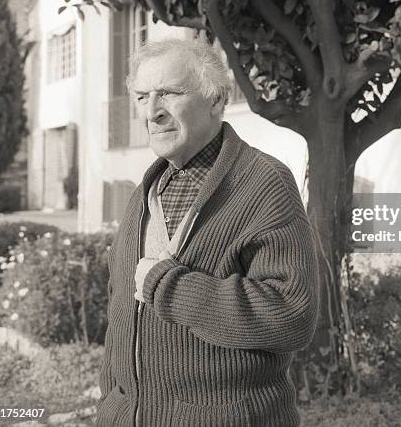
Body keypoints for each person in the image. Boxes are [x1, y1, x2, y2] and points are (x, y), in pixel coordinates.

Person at [97, 38, 319, 427]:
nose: (152, 112)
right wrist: (110, 409)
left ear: (216, 100)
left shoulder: (264, 183)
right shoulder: (142, 196)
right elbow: (119, 321)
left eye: (169, 93)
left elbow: (292, 314)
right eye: (142, 96)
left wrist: (170, 288)